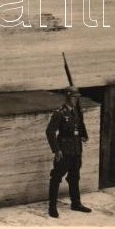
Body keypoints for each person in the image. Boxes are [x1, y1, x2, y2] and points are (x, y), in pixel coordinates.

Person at [46, 86, 92, 217]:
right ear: (67, 97)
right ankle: (52, 207)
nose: (76, 100)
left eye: (77, 98)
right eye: (73, 97)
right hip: (64, 151)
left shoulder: (76, 112)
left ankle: (76, 203)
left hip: (76, 150)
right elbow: (50, 131)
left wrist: (84, 135)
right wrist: (56, 150)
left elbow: (80, 125)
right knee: (56, 178)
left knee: (74, 177)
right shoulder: (59, 113)